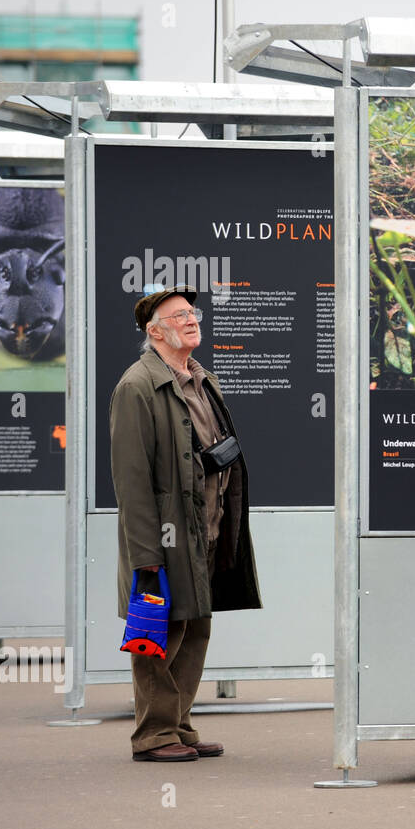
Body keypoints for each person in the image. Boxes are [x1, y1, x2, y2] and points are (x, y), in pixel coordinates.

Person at [110, 284, 261, 762]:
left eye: (192, 312)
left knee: (196, 627)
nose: (191, 319)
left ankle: (177, 724)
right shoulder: (137, 387)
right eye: (178, 315)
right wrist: (146, 557)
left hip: (206, 529)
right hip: (165, 536)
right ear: (154, 331)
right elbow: (131, 481)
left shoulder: (202, 379)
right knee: (159, 629)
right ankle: (152, 735)